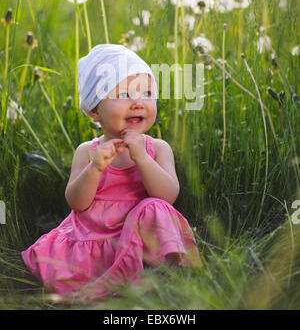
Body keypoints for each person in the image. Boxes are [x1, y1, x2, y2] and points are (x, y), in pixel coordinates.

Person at [21, 44, 201, 301]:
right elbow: (77, 203)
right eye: (124, 94)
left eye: (147, 92)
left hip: (141, 236)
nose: (138, 102)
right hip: (99, 236)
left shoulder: (157, 149)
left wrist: (141, 157)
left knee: (154, 207)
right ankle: (116, 283)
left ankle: (162, 275)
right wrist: (96, 168)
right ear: (95, 109)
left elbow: (168, 196)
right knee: (73, 263)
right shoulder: (87, 152)